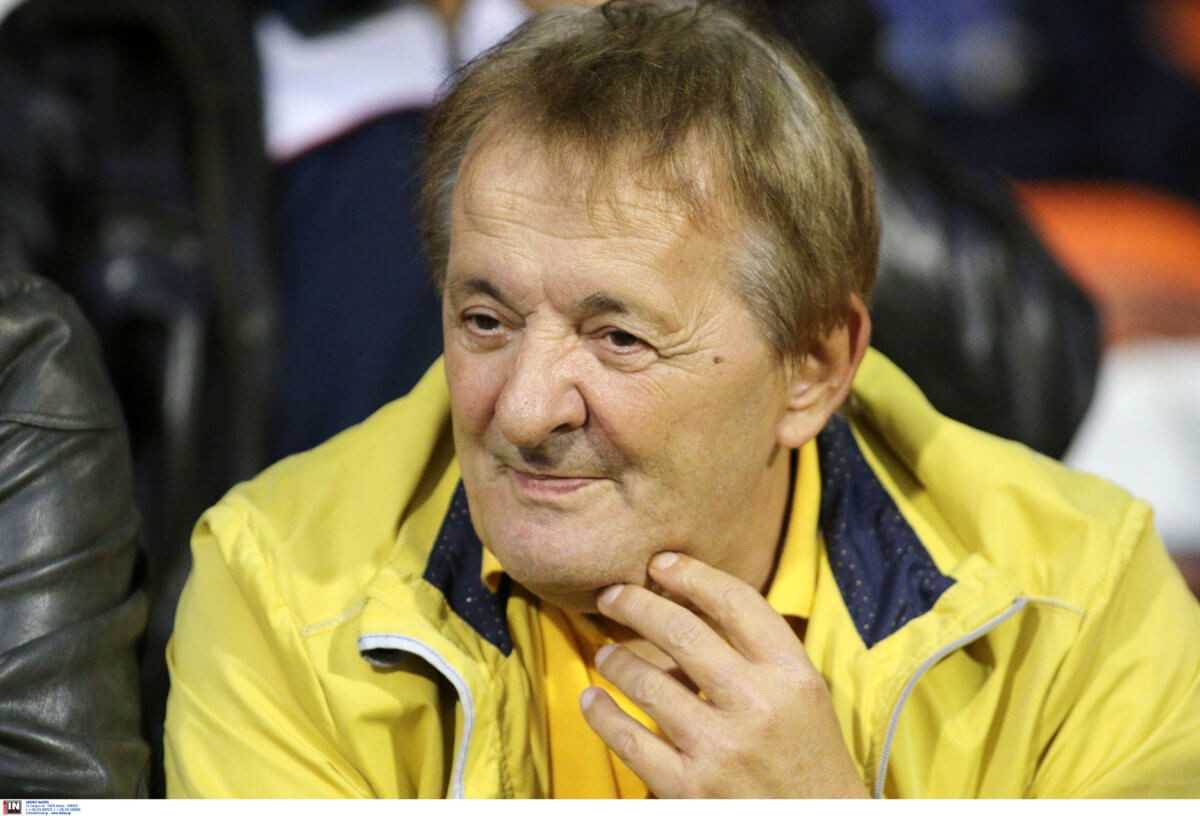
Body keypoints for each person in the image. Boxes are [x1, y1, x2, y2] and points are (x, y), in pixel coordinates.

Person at [164, 0, 1200, 798]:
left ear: (813, 367)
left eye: (618, 338)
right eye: (485, 320)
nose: (523, 411)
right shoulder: (281, 591)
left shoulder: (1076, 608)